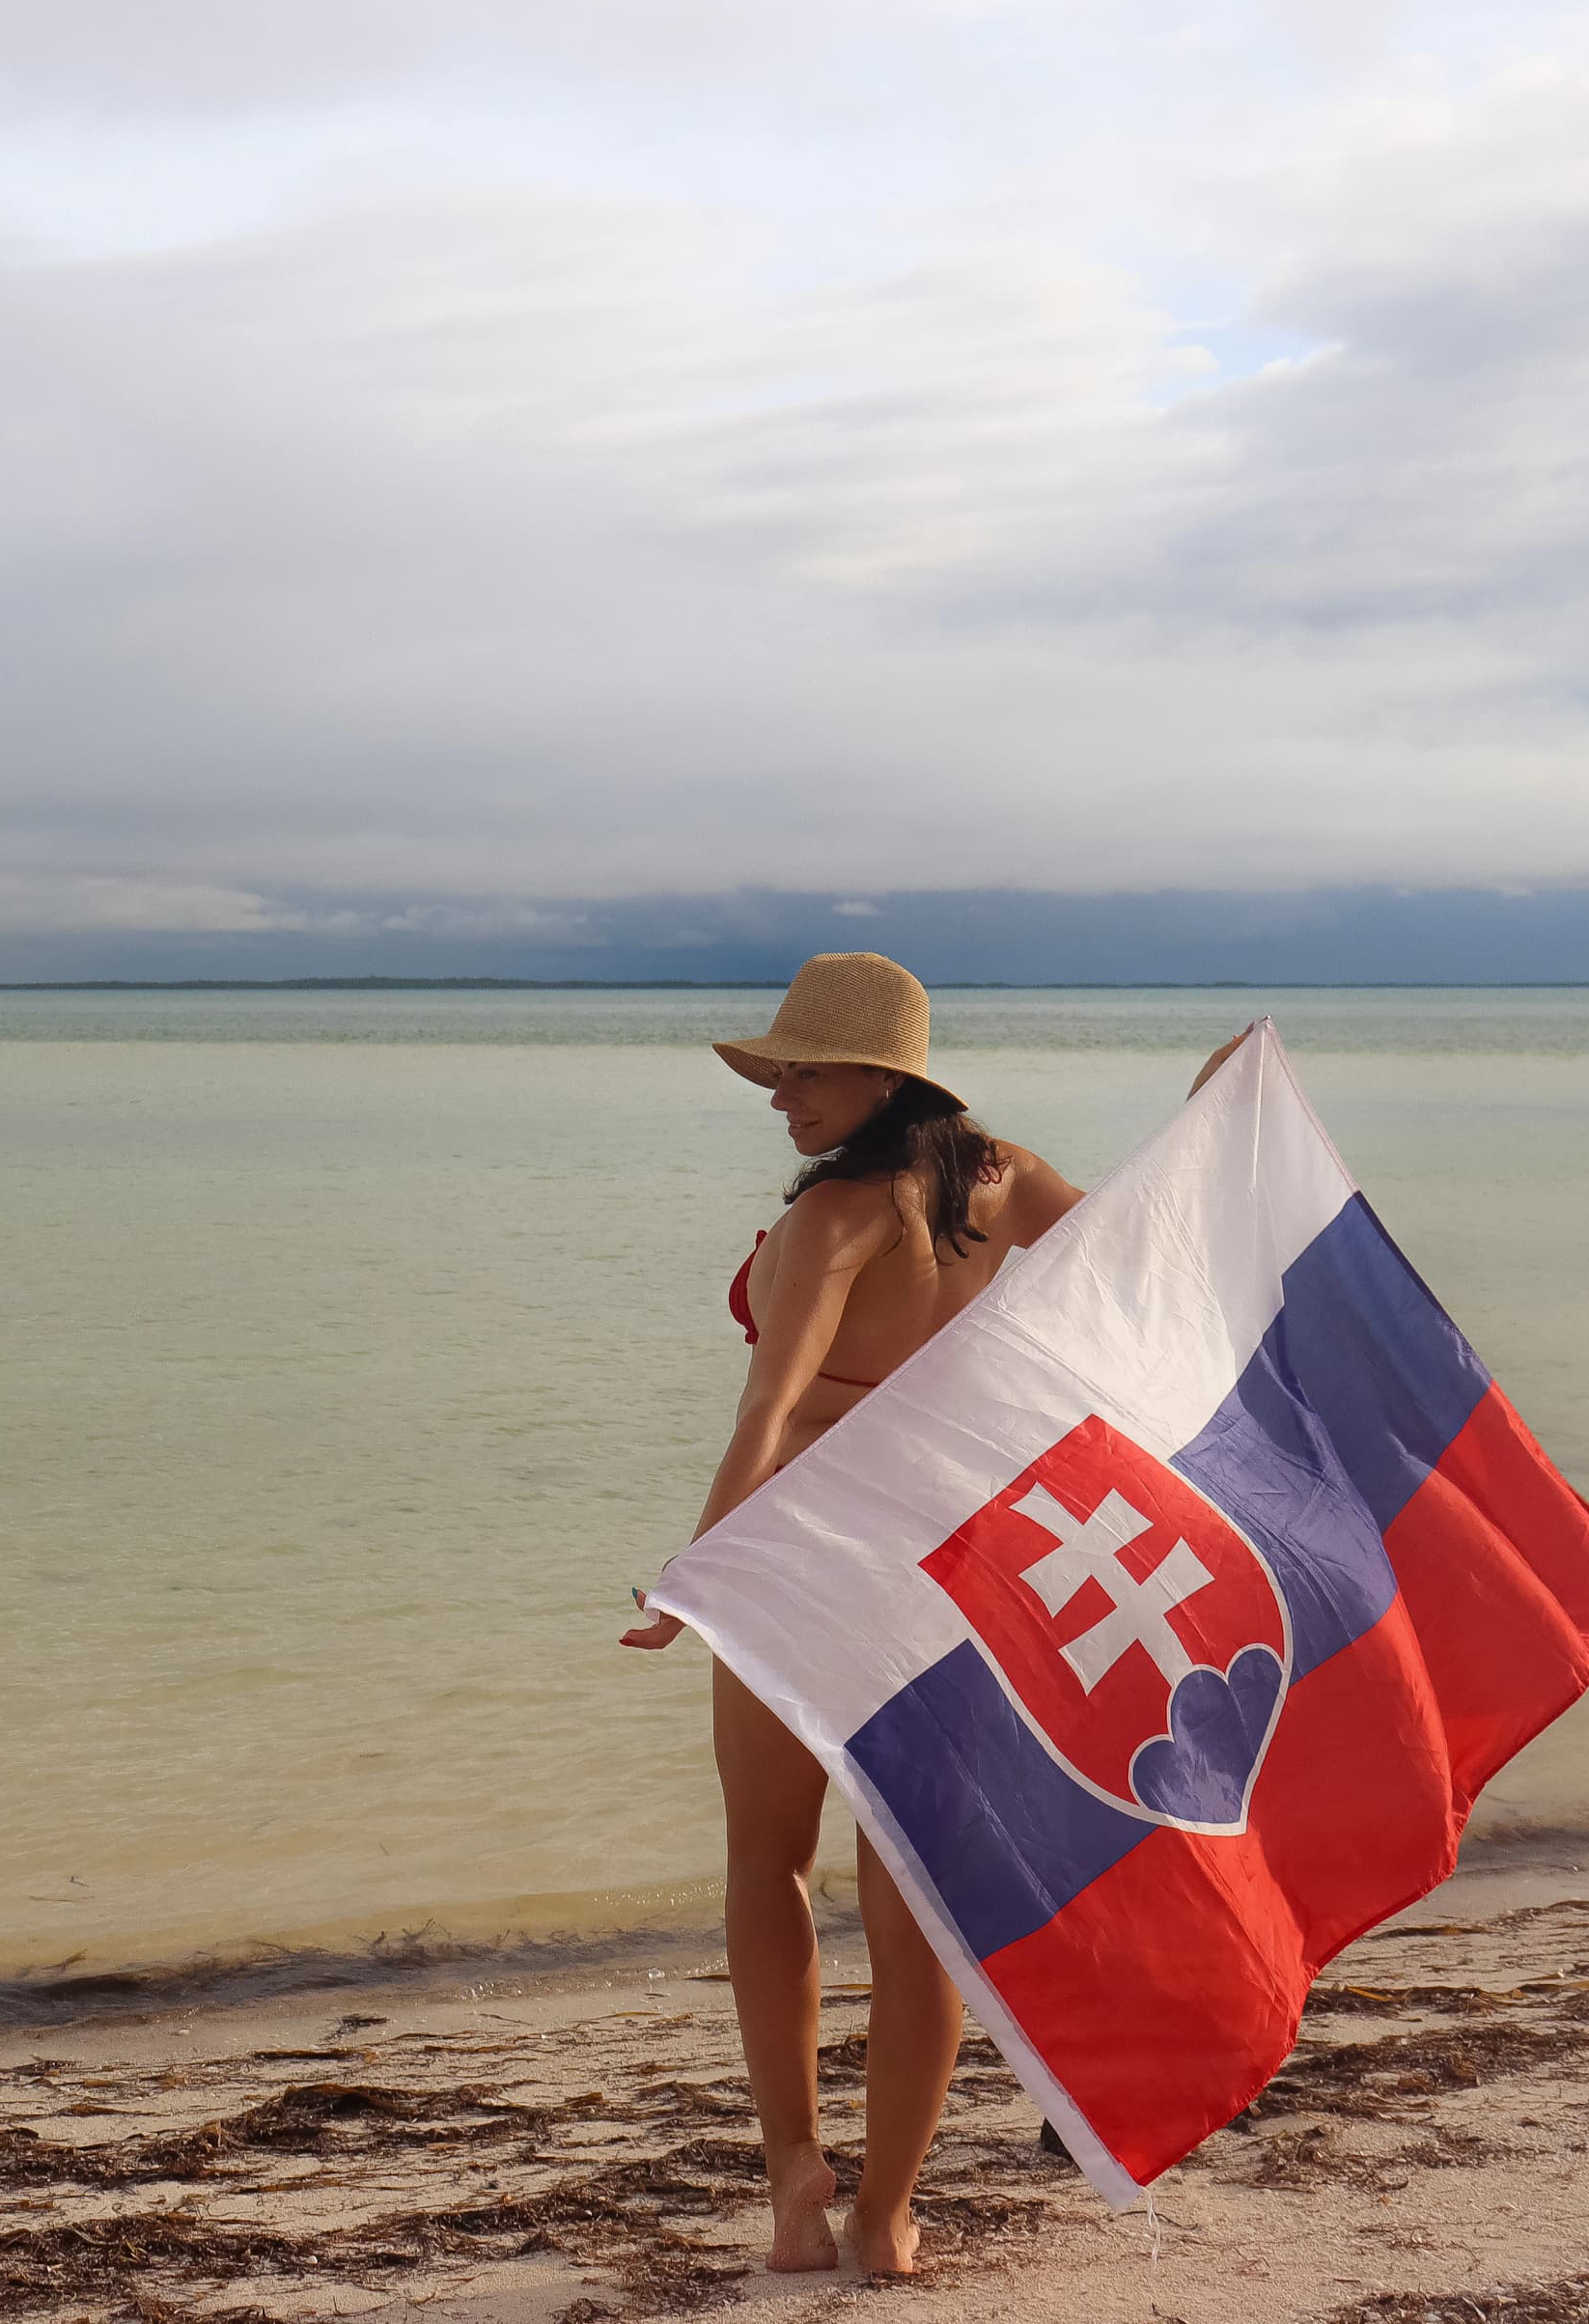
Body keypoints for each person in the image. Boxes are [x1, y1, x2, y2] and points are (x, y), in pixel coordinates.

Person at [618, 953, 1085, 2277]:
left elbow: (767, 1418)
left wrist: (691, 1578)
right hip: (948, 1569)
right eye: (777, 1073)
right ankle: (889, 2216)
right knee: (915, 1900)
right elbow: (1128, 1280)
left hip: (809, 1555)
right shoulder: (1004, 1177)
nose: (781, 1097)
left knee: (768, 1863)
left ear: (880, 1076)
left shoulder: (831, 1222)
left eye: (803, 1071)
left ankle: (795, 2190)